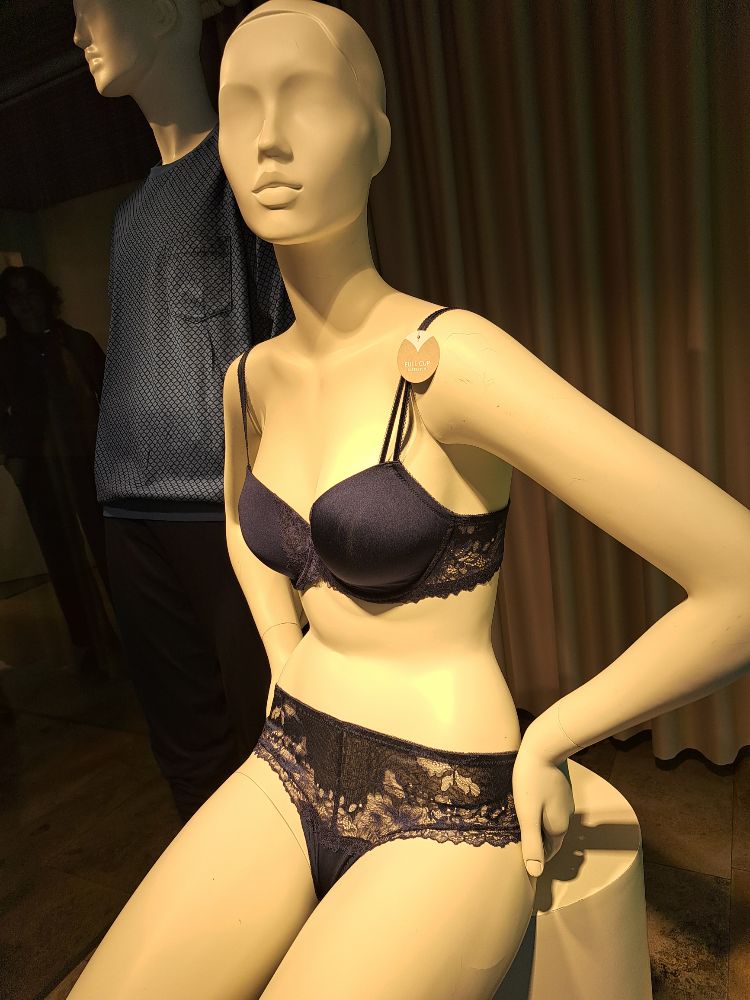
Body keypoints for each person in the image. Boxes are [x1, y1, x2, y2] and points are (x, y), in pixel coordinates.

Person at [68, 3, 750, 998]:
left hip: (446, 803)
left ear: (377, 139)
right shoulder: (249, 379)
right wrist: (281, 648)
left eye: (305, 97)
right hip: (288, 756)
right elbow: (241, 525)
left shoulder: (447, 360)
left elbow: (737, 575)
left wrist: (556, 732)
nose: (267, 139)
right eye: (242, 105)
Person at [72, 0, 293, 821]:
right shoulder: (130, 215)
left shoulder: (243, 177)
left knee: (273, 734)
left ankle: (302, 891)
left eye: (88, 9)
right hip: (127, 508)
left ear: (165, 12)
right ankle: (218, 891)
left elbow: (286, 338)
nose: (77, 34)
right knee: (185, 748)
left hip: (223, 506)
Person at [0, 265, 110, 674]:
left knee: (108, 548)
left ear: (46, 296)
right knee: (61, 557)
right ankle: (86, 642)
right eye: (15, 297)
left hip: (88, 461)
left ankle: (131, 632)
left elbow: (108, 397)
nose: (25, 303)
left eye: (30, 293)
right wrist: (14, 458)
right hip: (40, 469)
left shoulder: (77, 343)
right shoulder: (6, 356)